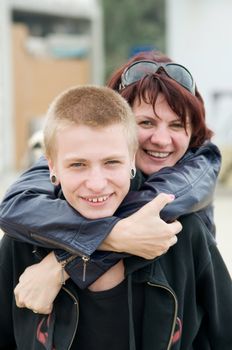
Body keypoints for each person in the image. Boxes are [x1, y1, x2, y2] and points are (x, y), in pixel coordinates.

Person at [1, 85, 232, 350]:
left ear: (133, 160)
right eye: (78, 164)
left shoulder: (181, 233)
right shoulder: (21, 245)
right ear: (51, 166)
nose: (97, 184)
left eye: (112, 162)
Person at [0, 51, 221, 294]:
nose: (161, 139)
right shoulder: (76, 153)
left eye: (177, 125)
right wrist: (112, 237)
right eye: (146, 123)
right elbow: (15, 206)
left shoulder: (199, 167)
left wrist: (61, 264)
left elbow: (155, 208)